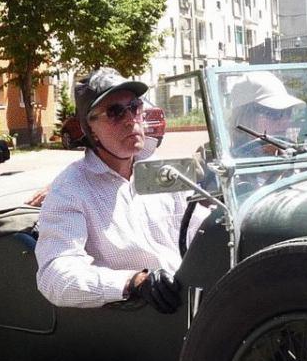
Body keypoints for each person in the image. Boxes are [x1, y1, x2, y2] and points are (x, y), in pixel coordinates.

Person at [35, 68, 192, 313]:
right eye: (115, 112)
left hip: (194, 305)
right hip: (141, 321)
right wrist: (133, 282)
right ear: (91, 128)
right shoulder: (70, 189)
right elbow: (55, 275)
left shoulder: (162, 171)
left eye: (134, 107)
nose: (131, 119)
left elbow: (200, 231)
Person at [228, 71, 305, 155]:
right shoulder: (232, 160)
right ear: (246, 118)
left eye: (288, 112)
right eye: (274, 113)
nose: (285, 122)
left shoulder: (293, 156)